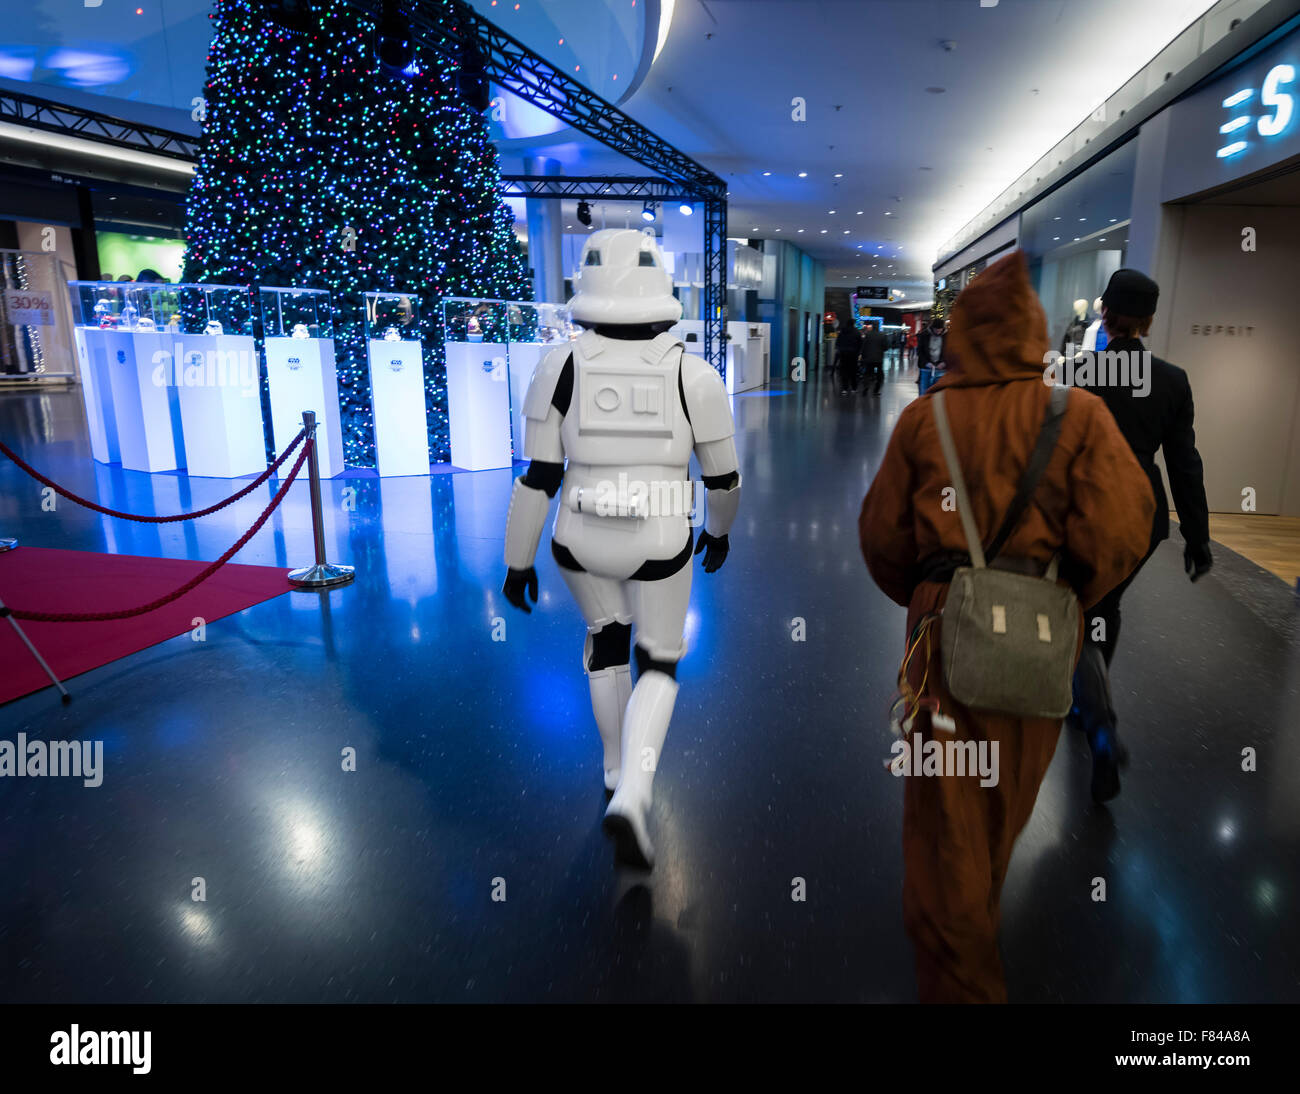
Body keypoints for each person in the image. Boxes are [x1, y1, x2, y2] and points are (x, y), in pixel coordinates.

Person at [858, 250, 1154, 1003]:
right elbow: (1124, 527)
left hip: (940, 644)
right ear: (1034, 331)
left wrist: (932, 595)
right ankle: (971, 941)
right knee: (1002, 807)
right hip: (1036, 639)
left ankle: (962, 976)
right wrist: (1060, 594)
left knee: (946, 818)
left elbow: (882, 539)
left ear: (960, 333)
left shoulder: (928, 419)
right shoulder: (1078, 415)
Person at [501, 228, 742, 871]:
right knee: (658, 662)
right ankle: (635, 791)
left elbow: (538, 476)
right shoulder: (695, 374)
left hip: (576, 538)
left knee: (606, 640)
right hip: (662, 536)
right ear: (660, 288)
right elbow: (724, 481)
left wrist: (516, 559)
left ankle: (612, 771)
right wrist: (718, 532)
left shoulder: (558, 365)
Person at [1069, 268, 1212, 803]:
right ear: (1148, 322)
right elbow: (1184, 463)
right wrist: (1197, 537)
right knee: (1104, 606)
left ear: (1104, 313)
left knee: (1079, 609)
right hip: (1140, 517)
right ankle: (1091, 705)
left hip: (1080, 510)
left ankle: (1094, 716)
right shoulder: (1172, 380)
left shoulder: (1075, 373)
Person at [835, 315, 862, 394]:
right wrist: (858, 352)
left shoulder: (842, 331)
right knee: (853, 371)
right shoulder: (856, 332)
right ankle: (854, 388)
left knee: (844, 371)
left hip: (843, 354)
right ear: (853, 324)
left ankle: (845, 388)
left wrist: (840, 350)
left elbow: (838, 342)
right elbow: (860, 343)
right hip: (853, 354)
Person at [860, 322, 887, 396]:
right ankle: (876, 390)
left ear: (872, 327)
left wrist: (863, 356)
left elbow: (864, 346)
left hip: (869, 358)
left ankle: (866, 388)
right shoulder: (882, 335)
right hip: (879, 358)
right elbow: (886, 347)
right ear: (878, 327)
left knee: (867, 373)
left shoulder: (868, 335)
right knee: (879, 374)